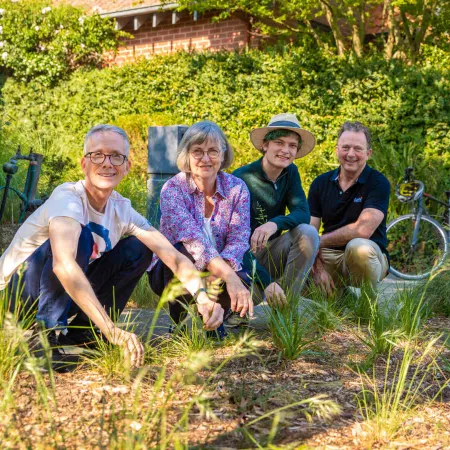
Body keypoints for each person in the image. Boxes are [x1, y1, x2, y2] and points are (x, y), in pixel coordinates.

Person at [0, 124, 221, 370]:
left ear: (126, 167)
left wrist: (203, 298)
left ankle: (86, 333)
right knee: (80, 237)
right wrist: (114, 330)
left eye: (116, 156)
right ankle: (43, 337)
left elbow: (174, 258)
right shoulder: (68, 198)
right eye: (98, 155)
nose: (107, 163)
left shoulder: (122, 209)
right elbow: (63, 265)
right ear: (84, 163)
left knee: (139, 249)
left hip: (53, 293)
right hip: (14, 298)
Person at [148, 121, 253, 336]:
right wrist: (228, 276)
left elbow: (239, 238)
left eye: (213, 151)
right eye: (197, 151)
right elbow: (193, 241)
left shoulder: (237, 188)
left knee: (243, 278)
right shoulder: (173, 189)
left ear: (223, 155)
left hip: (220, 267)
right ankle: (180, 318)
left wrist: (221, 274)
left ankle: (215, 318)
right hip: (175, 269)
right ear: (186, 155)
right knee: (182, 249)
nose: (205, 158)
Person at [229, 113, 320, 325]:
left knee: (308, 233)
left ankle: (285, 309)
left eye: (292, 145)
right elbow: (232, 243)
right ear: (265, 145)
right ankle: (238, 307)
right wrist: (268, 282)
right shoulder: (240, 178)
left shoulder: (290, 173)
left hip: (270, 252)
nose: (285, 150)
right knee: (246, 302)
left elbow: (302, 212)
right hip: (240, 261)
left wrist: (274, 224)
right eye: (279, 142)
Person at [308, 121, 390, 295]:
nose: (351, 154)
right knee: (297, 285)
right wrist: (318, 268)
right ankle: (342, 295)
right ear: (337, 150)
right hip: (329, 256)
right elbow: (309, 231)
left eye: (358, 149)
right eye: (345, 147)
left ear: (368, 154)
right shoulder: (320, 183)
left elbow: (363, 230)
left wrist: (318, 241)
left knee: (358, 247)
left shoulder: (378, 182)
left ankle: (367, 302)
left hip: (368, 256)